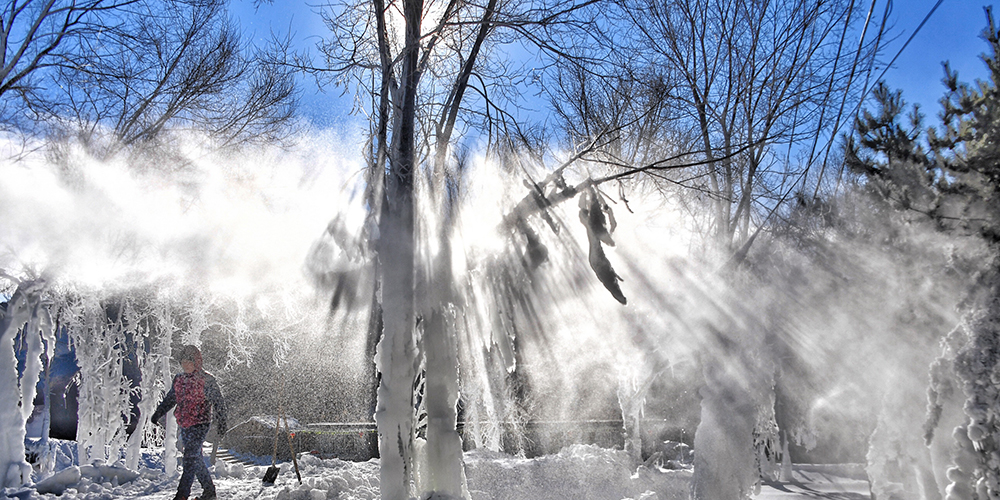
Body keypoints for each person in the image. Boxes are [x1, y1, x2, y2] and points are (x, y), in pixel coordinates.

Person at [152, 345, 227, 500]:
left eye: (189, 362)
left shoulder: (207, 380)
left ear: (197, 362)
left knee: (189, 458)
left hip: (200, 424)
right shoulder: (179, 379)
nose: (185, 365)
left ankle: (182, 495)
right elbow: (171, 398)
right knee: (195, 459)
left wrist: (222, 422)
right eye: (183, 362)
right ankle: (209, 491)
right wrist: (158, 412)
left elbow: (218, 402)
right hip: (185, 423)